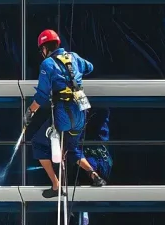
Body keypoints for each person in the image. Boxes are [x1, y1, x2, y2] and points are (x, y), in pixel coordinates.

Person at [25, 29, 105, 197]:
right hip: (81, 113)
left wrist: (30, 112)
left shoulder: (47, 64)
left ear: (45, 48)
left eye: (42, 50)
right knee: (72, 147)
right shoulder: (73, 57)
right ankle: (94, 175)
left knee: (38, 143)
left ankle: (56, 185)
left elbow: (41, 95)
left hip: (64, 114)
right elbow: (89, 67)